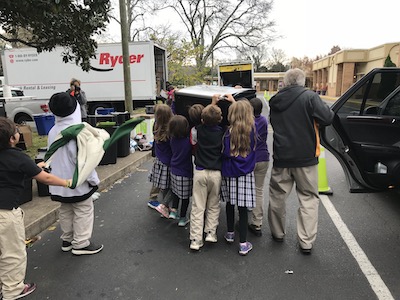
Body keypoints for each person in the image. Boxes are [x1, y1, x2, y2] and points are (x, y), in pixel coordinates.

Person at [0, 117, 72, 300]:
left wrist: (34, 168)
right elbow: (45, 179)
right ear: (12, 139)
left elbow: (10, 175)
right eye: (16, 130)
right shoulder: (17, 156)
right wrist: (66, 182)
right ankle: (13, 290)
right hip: (5, 214)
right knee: (13, 253)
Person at [268, 68, 334, 255]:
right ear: (302, 81)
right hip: (306, 157)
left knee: (277, 196)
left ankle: (277, 232)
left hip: (282, 156)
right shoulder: (310, 97)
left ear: (286, 82)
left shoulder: (275, 100)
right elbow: (327, 118)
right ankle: (306, 241)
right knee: (308, 199)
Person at [47, 92, 103, 256]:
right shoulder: (78, 132)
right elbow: (85, 161)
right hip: (77, 182)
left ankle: (68, 239)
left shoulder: (53, 131)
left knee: (65, 209)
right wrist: (94, 180)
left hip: (58, 183)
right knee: (83, 210)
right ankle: (81, 243)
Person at [220, 98, 257, 256]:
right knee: (242, 208)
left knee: (229, 203)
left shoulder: (227, 132)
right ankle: (243, 243)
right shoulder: (252, 131)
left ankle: (229, 233)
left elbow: (224, 152)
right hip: (245, 173)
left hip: (229, 172)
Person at [189, 101, 225, 251]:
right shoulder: (223, 133)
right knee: (213, 204)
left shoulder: (196, 130)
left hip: (200, 171)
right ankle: (211, 232)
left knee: (198, 206)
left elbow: (193, 142)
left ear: (202, 120)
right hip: (216, 172)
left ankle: (196, 240)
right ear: (220, 119)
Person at [248, 97, 270, 237]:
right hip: (263, 158)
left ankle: (243, 217)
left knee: (245, 188)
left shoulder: (247, 123)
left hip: (249, 159)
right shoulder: (263, 120)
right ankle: (257, 222)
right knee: (258, 190)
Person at [148, 104, 173, 218]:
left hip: (159, 159)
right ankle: (163, 205)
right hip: (168, 160)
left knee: (159, 181)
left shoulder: (156, 126)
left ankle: (155, 199)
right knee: (167, 184)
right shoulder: (170, 129)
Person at [168, 115, 193, 226]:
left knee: (175, 192)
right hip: (185, 171)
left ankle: (173, 211)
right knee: (185, 197)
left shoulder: (172, 139)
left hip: (174, 169)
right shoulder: (187, 142)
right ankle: (183, 218)